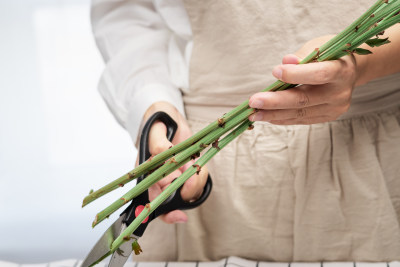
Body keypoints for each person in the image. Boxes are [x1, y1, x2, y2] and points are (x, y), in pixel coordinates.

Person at [91, 0, 400, 262]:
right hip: (203, 158)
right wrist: (155, 106)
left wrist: (363, 63)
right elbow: (129, 11)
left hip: (375, 160)